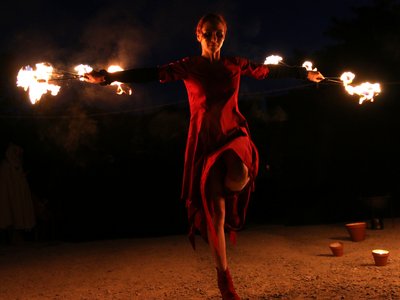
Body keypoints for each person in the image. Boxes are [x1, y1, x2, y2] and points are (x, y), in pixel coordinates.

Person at [84, 13, 324, 300]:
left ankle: (230, 186)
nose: (214, 39)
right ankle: (226, 283)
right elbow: (150, 73)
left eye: (219, 34)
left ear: (224, 36)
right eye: (209, 33)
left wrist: (303, 73)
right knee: (216, 216)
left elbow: (267, 71)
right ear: (198, 34)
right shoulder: (187, 66)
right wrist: (109, 77)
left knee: (239, 173)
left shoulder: (234, 64)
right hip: (204, 142)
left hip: (233, 133)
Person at [0, 142, 36, 244]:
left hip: (18, 197)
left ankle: (18, 236)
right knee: (9, 215)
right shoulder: (5, 167)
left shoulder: (17, 166)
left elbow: (19, 183)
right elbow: (5, 188)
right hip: (11, 198)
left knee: (18, 215)